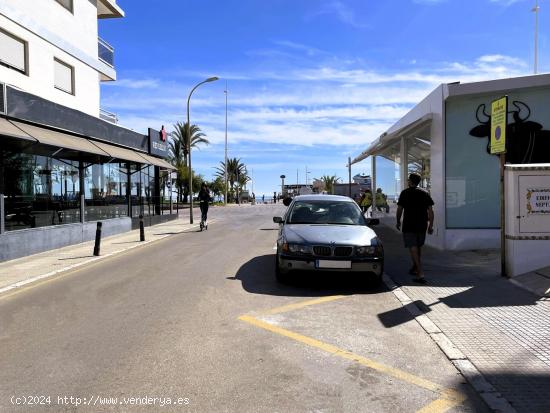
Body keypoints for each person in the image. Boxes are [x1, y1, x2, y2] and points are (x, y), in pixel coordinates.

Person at [396, 173, 434, 284]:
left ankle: (420, 273)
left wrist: (398, 221)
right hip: (422, 224)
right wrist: (431, 225)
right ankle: (414, 267)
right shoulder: (425, 193)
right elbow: (431, 211)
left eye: (408, 180)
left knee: (413, 247)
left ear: (410, 181)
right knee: (418, 246)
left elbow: (400, 209)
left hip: (409, 224)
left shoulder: (405, 193)